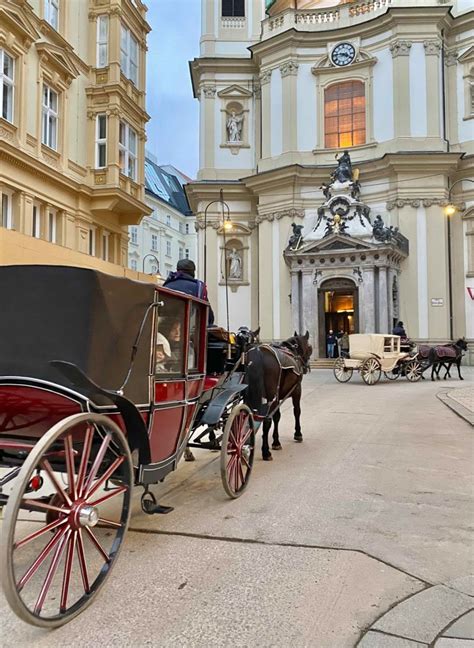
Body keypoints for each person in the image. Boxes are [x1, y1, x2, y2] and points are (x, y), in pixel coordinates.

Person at [163, 259, 215, 325]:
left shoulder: (167, 285)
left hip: (165, 328)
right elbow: (209, 318)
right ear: (193, 272)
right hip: (187, 329)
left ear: (177, 269)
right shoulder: (198, 287)